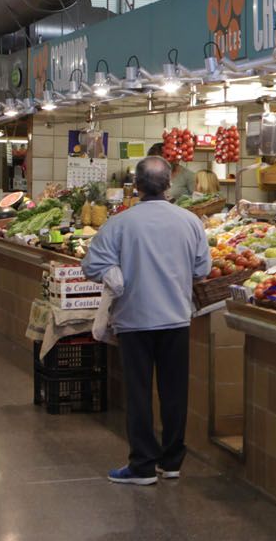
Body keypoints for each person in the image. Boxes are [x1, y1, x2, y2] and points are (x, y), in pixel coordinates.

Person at [82, 156, 211, 486]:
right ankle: (172, 461)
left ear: (137, 186)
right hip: (176, 318)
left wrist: (116, 271)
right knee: (175, 392)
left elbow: (92, 265)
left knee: (138, 393)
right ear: (168, 184)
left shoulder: (119, 223)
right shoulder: (190, 221)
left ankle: (142, 465)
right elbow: (202, 270)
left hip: (134, 319)